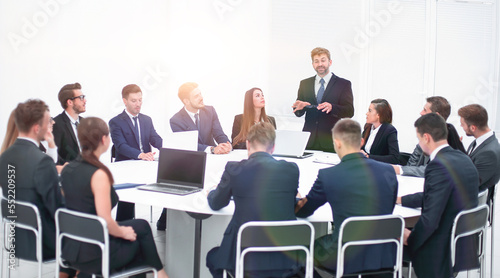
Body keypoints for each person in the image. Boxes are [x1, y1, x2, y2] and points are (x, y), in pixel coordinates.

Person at [60, 117, 169, 278]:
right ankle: (160, 274)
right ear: (104, 140)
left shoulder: (67, 170)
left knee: (141, 226)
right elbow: (105, 221)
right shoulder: (98, 175)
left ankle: (160, 273)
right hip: (95, 251)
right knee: (139, 243)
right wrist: (122, 232)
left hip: (71, 248)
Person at [295, 119, 398, 275]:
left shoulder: (329, 175)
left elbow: (304, 210)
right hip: (384, 254)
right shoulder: (388, 171)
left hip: (345, 255)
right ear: (361, 141)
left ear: (337, 143)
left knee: (299, 250)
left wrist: (296, 197)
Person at [206, 122, 300, 277]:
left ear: (248, 144)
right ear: (274, 147)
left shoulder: (234, 169)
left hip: (243, 258)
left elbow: (216, 203)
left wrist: (212, 191)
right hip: (284, 260)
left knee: (213, 257)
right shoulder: (290, 169)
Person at [399, 113, 479, 278]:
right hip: (461, 242)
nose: (419, 144)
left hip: (439, 248)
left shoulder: (437, 166)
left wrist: (411, 238)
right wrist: (401, 200)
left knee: (384, 241)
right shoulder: (463, 158)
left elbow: (430, 219)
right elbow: (436, 195)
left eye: (419, 139)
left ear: (426, 137)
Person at [0, 99, 73, 277]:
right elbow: (57, 209)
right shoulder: (42, 161)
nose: (52, 125)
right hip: (43, 242)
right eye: (48, 122)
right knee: (88, 238)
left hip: (16, 238)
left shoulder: (5, 156)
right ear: (36, 128)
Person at [109, 84, 164, 225]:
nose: (138, 104)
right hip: (126, 166)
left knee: (169, 182)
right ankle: (123, 224)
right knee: (127, 199)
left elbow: (155, 139)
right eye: (134, 101)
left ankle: (164, 221)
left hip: (146, 164)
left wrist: (171, 148)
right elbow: (120, 146)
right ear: (124, 101)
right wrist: (141, 155)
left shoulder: (147, 120)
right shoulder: (116, 122)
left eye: (140, 100)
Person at [292, 47, 354, 153]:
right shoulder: (304, 84)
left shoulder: (343, 84)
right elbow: (298, 112)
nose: (320, 64)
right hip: (309, 141)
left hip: (331, 141)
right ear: (312, 64)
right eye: (316, 61)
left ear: (330, 62)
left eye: (323, 60)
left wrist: (332, 107)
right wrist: (299, 108)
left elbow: (349, 111)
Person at [393, 96, 465, 177]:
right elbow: (412, 164)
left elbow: (435, 169)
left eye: (425, 110)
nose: (421, 112)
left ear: (436, 116)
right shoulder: (425, 134)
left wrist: (400, 170)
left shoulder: (447, 139)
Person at [170, 82, 231, 154]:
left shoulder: (210, 111)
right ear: (186, 101)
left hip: (214, 157)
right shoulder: (176, 120)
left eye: (200, 94)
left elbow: (219, 134)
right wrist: (212, 149)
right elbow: (187, 145)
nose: (201, 98)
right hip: (193, 158)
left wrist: (226, 145)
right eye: (196, 96)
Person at [458, 104, 500, 201]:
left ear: (473, 128)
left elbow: (469, 183)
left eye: (463, 124)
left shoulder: (489, 153)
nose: (461, 126)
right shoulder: (479, 142)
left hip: (469, 205)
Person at [53, 82, 86, 165]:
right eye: (81, 98)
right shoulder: (56, 124)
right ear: (70, 102)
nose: (85, 101)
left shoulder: (85, 123)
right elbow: (54, 155)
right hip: (68, 172)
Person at [360, 99, 400, 164]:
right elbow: (362, 148)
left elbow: (394, 158)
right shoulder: (368, 127)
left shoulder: (389, 130)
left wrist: (368, 157)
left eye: (370, 111)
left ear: (378, 115)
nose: (367, 113)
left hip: (379, 168)